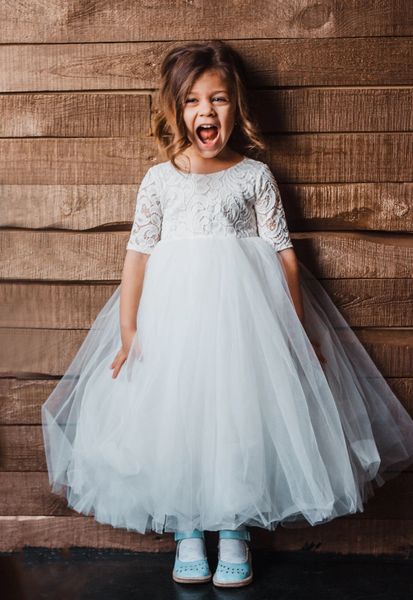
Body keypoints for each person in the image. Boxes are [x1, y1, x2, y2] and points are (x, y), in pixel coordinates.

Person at [41, 40, 413, 589]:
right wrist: (127, 332)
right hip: (174, 325)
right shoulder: (160, 179)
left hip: (246, 328)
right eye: (192, 101)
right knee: (181, 417)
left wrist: (298, 329)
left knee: (241, 416)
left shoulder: (254, 176)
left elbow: (283, 255)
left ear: (235, 106)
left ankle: (235, 526)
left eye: (217, 99)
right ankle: (189, 526)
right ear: (175, 110)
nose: (205, 112)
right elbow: (138, 257)